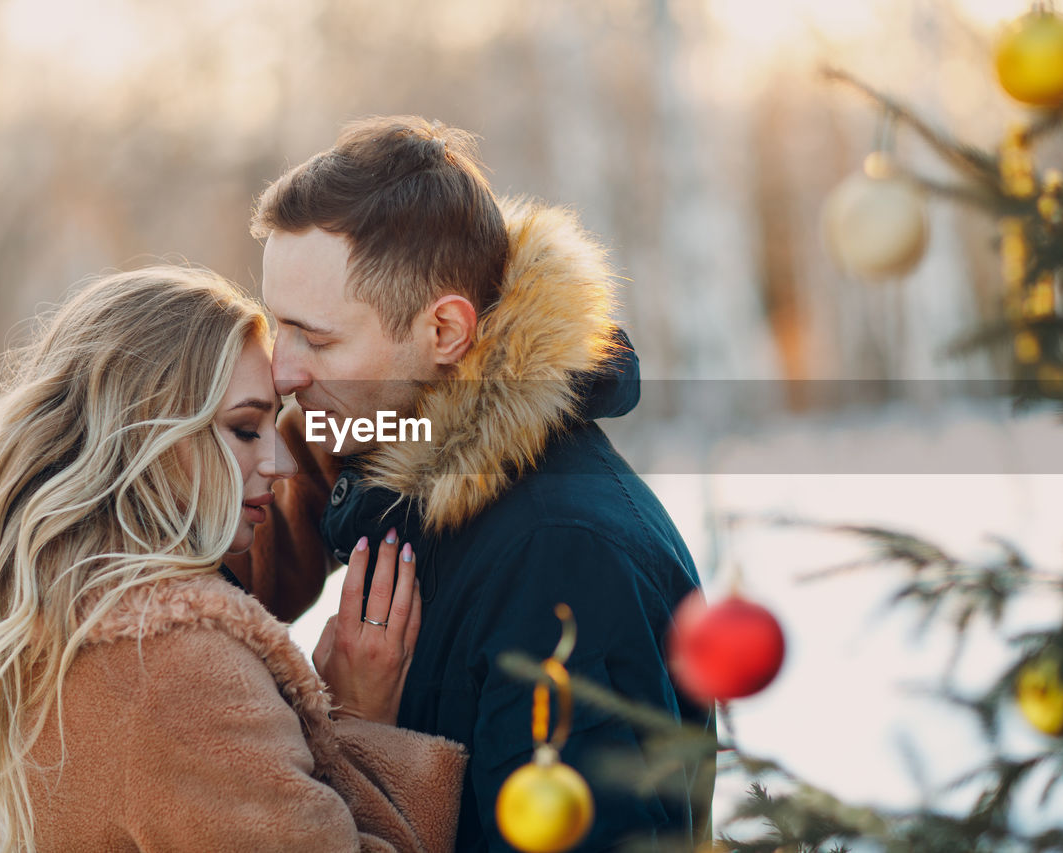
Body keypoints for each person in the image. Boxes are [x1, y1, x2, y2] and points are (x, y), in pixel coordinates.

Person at [230, 117, 715, 851]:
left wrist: (359, 737)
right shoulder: (406, 471)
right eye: (278, 327)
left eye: (317, 338)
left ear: (447, 332)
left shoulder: (560, 560)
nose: (283, 370)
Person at [0, 266, 466, 852]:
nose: (280, 462)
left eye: (274, 422)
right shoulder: (172, 668)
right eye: (247, 429)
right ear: (143, 438)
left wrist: (396, 393)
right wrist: (362, 724)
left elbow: (295, 494)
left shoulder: (75, 596)